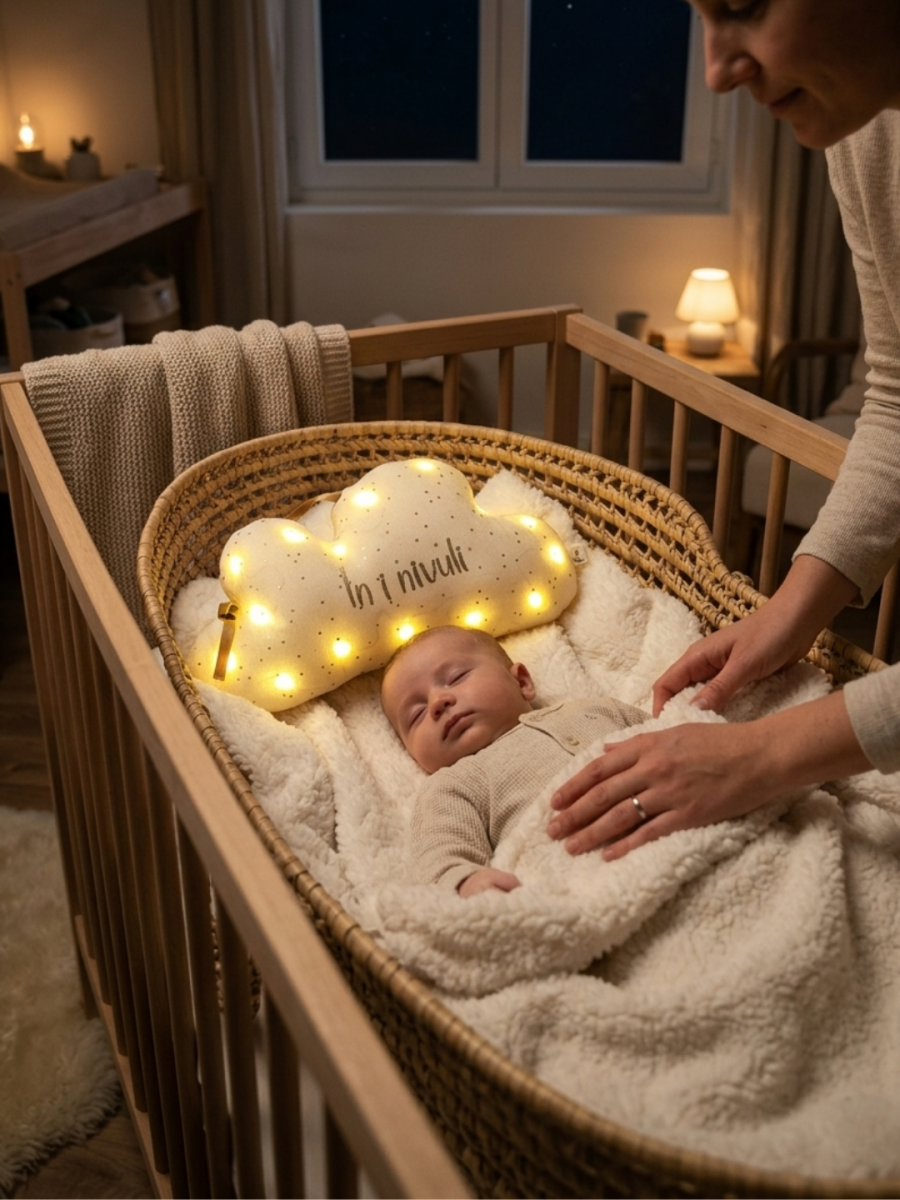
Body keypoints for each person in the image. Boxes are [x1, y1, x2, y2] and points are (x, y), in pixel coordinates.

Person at [546, 0, 900, 862]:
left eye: (742, 8)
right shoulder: (864, 131)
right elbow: (895, 391)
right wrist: (790, 610)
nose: (716, 71)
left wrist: (765, 755)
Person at [380, 625, 645, 896]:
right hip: (577, 883)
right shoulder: (451, 786)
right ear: (414, 756)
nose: (438, 702)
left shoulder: (593, 709)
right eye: (417, 714)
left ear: (521, 682)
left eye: (456, 677)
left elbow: (672, 727)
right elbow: (438, 858)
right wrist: (465, 882)